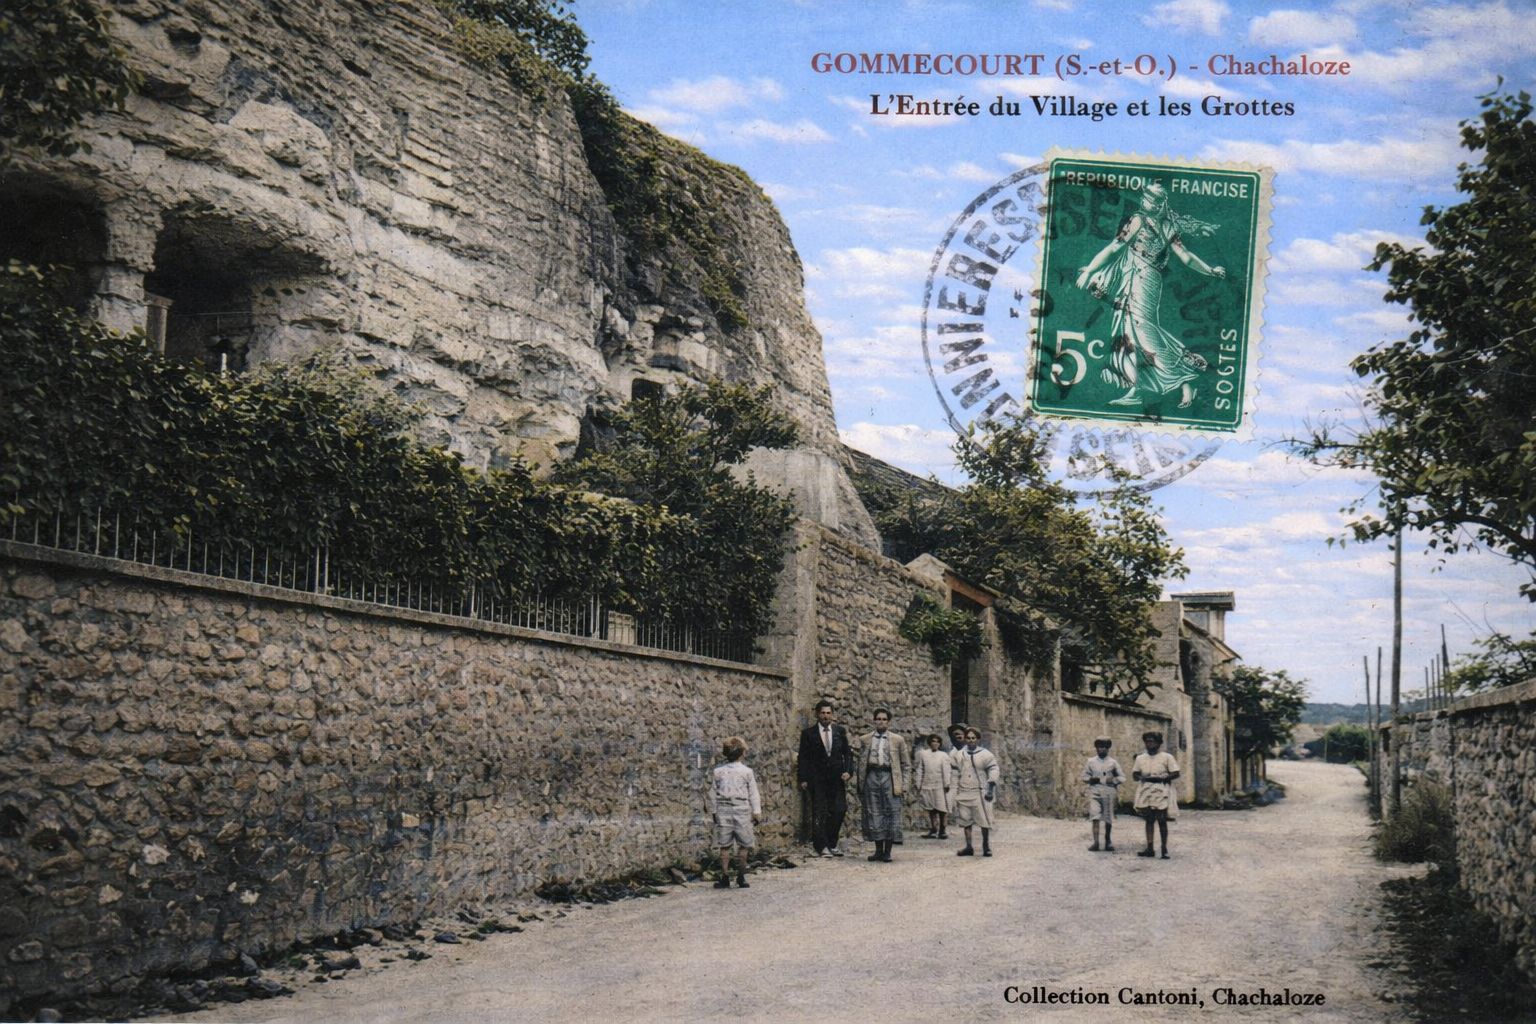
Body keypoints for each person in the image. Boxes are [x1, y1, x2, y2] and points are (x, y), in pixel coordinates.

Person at [1074, 180, 1226, 410]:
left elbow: (1184, 257)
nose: (1150, 204)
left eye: (1154, 201)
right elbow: (1116, 247)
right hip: (1135, 276)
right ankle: (1137, 389)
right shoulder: (1150, 222)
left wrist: (1210, 270)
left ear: (1160, 203)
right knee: (1130, 334)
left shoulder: (1150, 222)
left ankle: (1185, 379)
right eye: (1148, 199)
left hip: (1144, 280)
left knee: (1145, 334)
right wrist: (1090, 270)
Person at [797, 700, 853, 857]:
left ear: (832, 715)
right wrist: (803, 778)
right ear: (817, 714)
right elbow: (803, 757)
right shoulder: (808, 734)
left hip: (836, 778)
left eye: (828, 713)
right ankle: (821, 846)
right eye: (822, 713)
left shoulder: (839, 731)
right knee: (819, 811)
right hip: (817, 779)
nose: (826, 716)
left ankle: (832, 843)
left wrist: (848, 771)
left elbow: (847, 753)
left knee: (840, 809)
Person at [855, 708, 910, 862]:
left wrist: (904, 785)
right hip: (872, 776)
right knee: (874, 812)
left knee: (890, 812)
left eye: (884, 719)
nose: (881, 722)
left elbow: (906, 764)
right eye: (878, 719)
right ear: (874, 721)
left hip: (890, 777)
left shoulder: (898, 740)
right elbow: (860, 762)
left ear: (889, 722)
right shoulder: (865, 739)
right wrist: (861, 782)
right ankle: (878, 850)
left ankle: (888, 852)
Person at [706, 736, 761, 889]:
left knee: (724, 846)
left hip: (723, 810)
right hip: (742, 809)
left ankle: (725, 876)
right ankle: (741, 877)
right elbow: (753, 793)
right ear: (742, 753)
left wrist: (714, 811)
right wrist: (756, 811)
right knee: (744, 845)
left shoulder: (718, 772)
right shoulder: (747, 772)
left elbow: (712, 793)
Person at [1132, 730, 1181, 859]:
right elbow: (1135, 774)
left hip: (1161, 789)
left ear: (1159, 743)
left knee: (1161, 819)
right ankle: (1150, 848)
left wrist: (1164, 778)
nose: (1149, 744)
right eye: (1147, 741)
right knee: (1149, 819)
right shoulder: (1140, 758)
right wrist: (1142, 777)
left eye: (1152, 741)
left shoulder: (1167, 757)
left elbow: (1176, 773)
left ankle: (1164, 848)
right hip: (1146, 789)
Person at [950, 727, 999, 857]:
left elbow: (993, 769)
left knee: (984, 820)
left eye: (973, 738)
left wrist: (990, 787)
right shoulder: (959, 754)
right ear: (965, 739)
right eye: (968, 738)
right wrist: (954, 791)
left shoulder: (985, 754)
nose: (971, 740)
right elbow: (954, 773)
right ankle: (969, 846)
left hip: (980, 791)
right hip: (964, 791)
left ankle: (986, 846)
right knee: (965, 820)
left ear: (977, 739)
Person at [1081, 736, 1125, 852]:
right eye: (1100, 747)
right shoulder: (1091, 761)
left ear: (1108, 748)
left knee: (1107, 817)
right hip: (1095, 791)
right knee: (1095, 816)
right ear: (1096, 748)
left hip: (1108, 791)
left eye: (1105, 747)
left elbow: (1122, 777)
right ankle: (1096, 842)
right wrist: (1091, 779)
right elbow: (1084, 776)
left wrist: (1113, 780)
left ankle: (1108, 841)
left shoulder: (1113, 763)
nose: (1102, 749)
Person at [914, 734, 953, 839]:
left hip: (940, 785)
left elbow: (946, 770)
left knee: (942, 808)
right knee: (931, 808)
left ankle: (942, 830)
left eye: (937, 742)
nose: (935, 743)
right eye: (933, 741)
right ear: (929, 743)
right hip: (927, 784)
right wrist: (918, 784)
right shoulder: (924, 754)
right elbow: (920, 769)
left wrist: (947, 783)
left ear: (940, 744)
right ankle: (933, 829)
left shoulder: (943, 755)